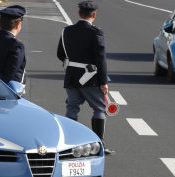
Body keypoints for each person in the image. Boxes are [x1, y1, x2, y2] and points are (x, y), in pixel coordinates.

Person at [57, 0, 114, 155]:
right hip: (91, 79)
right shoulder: (96, 33)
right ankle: (99, 144)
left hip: (71, 77)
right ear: (94, 15)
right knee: (99, 109)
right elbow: (100, 58)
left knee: (72, 109)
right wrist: (103, 82)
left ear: (79, 13)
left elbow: (60, 54)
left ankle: (69, 144)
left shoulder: (66, 31)